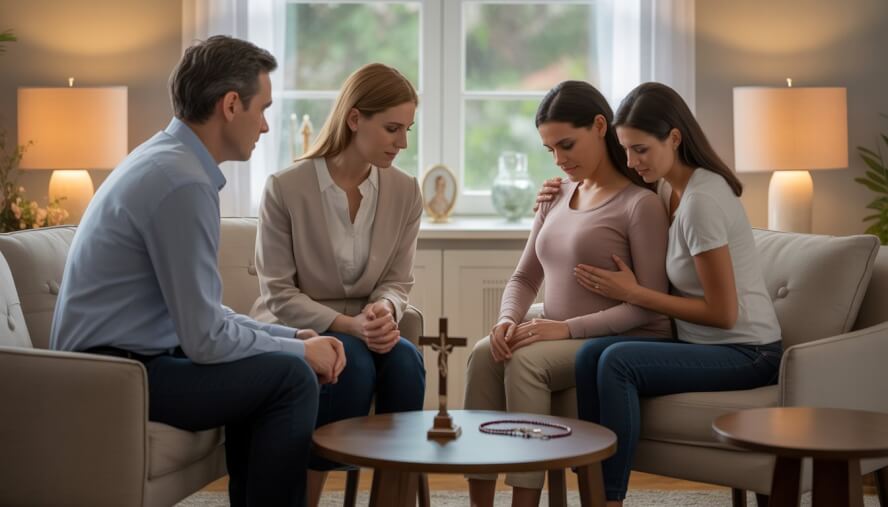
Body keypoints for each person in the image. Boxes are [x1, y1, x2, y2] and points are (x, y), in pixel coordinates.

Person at [49, 36, 346, 507]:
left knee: (278, 367)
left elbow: (204, 318)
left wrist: (293, 338)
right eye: (262, 109)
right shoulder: (182, 182)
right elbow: (206, 340)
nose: (266, 126)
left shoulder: (168, 161)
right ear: (231, 104)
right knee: (289, 379)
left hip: (129, 363)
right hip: (113, 377)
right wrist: (298, 353)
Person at [537, 82, 783, 506]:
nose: (631, 162)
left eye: (641, 150)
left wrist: (635, 293)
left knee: (616, 361)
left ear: (674, 137)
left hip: (749, 352)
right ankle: (593, 486)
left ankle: (608, 498)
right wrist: (555, 194)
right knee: (589, 354)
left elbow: (724, 313)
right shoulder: (670, 188)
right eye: (626, 150)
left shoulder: (701, 201)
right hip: (710, 346)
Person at [463, 81, 672, 507]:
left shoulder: (639, 205)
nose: (559, 159)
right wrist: (507, 320)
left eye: (567, 144)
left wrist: (565, 329)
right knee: (486, 353)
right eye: (549, 150)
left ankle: (525, 501)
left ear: (600, 126)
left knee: (524, 363)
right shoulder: (556, 194)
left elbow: (648, 305)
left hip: (624, 336)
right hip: (560, 329)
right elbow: (524, 277)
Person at [250, 62, 426, 505]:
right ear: (354, 119)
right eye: (392, 129)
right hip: (303, 326)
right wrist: (350, 327)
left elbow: (396, 281)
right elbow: (278, 293)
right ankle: (307, 494)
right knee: (354, 363)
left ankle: (393, 498)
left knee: (406, 363)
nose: (402, 143)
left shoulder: (406, 192)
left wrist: (385, 310)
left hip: (367, 328)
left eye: (407, 129)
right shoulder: (285, 188)